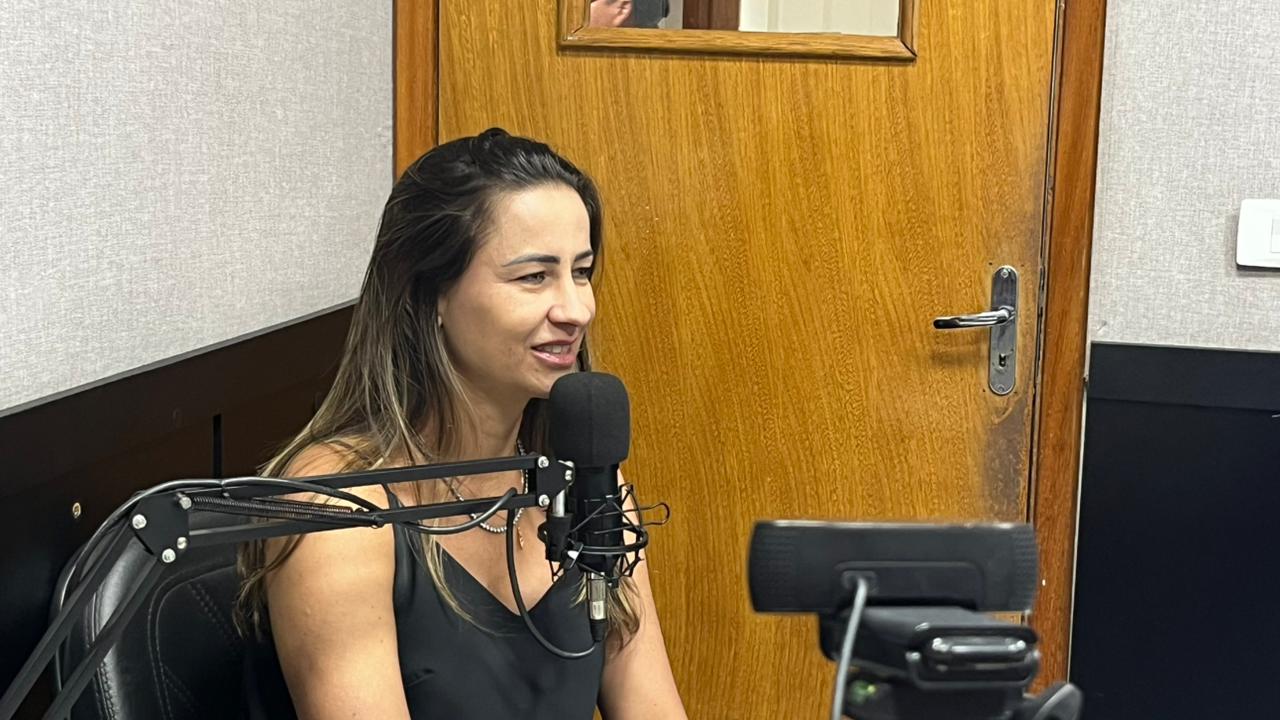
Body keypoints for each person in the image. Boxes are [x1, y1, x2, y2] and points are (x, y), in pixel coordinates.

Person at [236, 128, 687, 719]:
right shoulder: (338, 507)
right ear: (431, 296)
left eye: (581, 272)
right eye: (534, 277)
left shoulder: (587, 484)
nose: (577, 310)